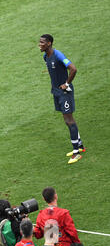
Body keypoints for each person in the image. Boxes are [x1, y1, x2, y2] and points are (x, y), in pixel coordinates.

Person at [38, 34, 85, 164]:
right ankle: (80, 146)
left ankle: (76, 153)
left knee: (69, 120)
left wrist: (67, 84)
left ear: (49, 43)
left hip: (64, 93)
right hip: (56, 92)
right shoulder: (45, 57)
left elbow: (73, 69)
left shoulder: (58, 55)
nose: (39, 44)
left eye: (42, 42)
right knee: (66, 120)